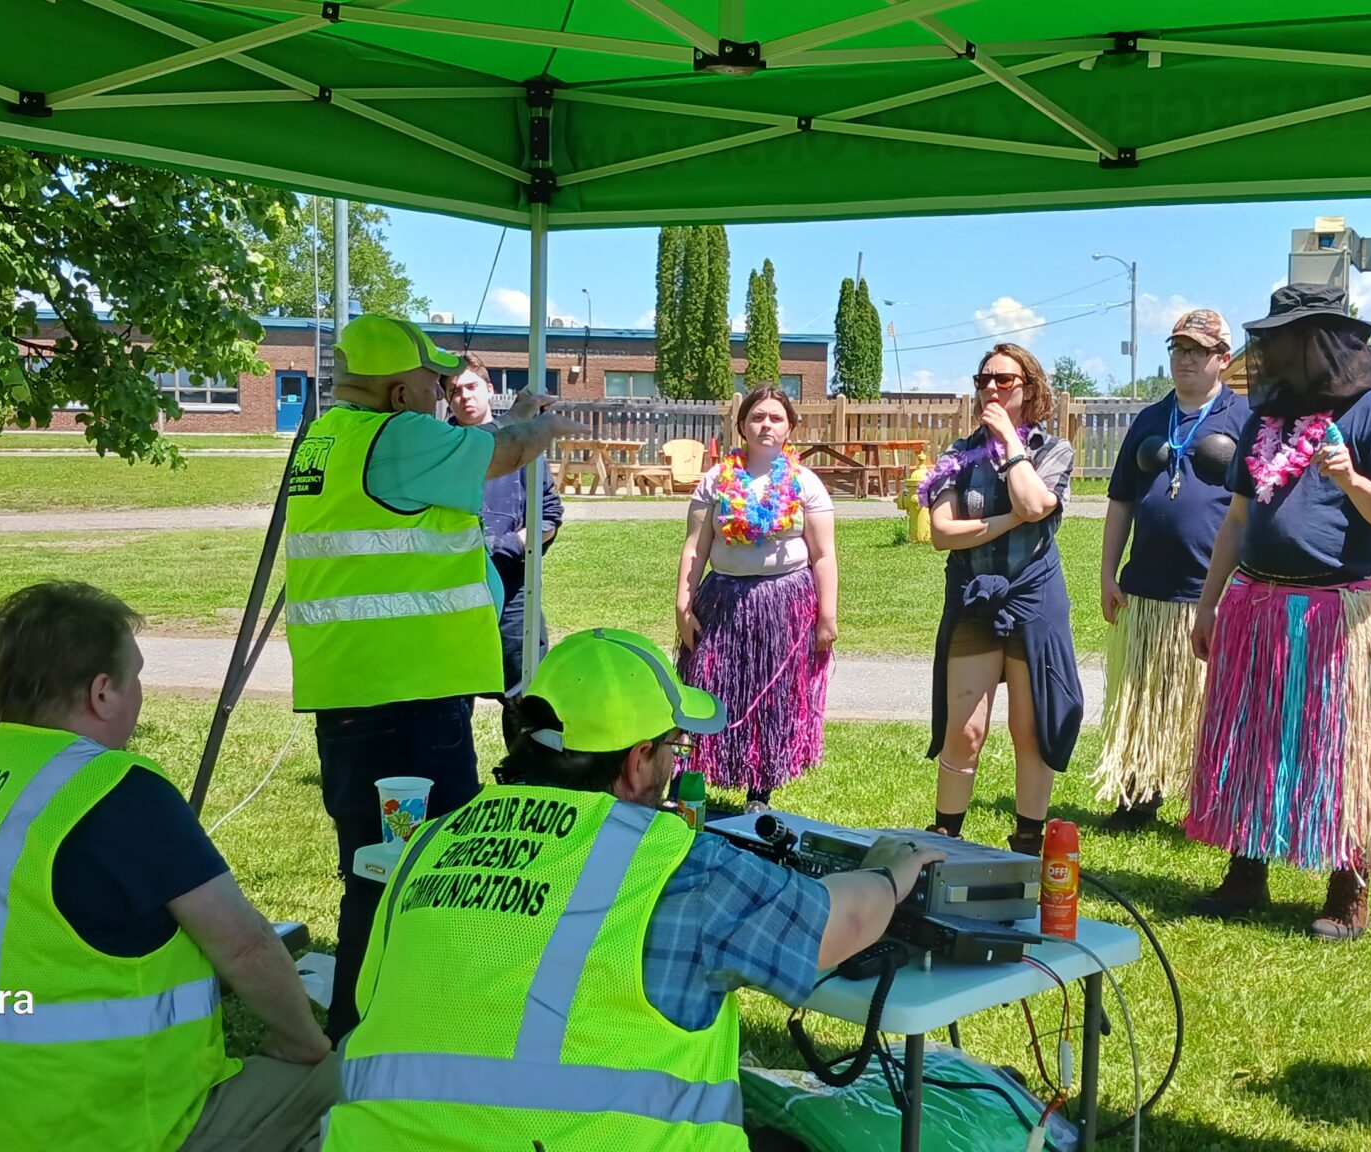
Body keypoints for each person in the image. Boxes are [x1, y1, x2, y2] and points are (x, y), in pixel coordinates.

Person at [322, 628, 944, 1150]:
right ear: (636, 760)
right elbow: (840, 927)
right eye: (674, 747)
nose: (676, 763)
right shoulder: (673, 865)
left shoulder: (426, 845)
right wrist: (889, 869)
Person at [0, 582, 335, 1151]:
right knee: (347, 1083)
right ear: (102, 693)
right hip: (92, 1129)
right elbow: (245, 947)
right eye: (136, 677)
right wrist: (304, 1045)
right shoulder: (117, 789)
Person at [283, 313, 583, 1041]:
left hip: (359, 699)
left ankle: (372, 1024)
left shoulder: (326, 438)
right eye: (432, 381)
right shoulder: (397, 435)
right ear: (396, 392)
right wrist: (532, 421)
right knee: (418, 872)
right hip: (405, 708)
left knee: (373, 871)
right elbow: (507, 451)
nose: (444, 392)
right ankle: (393, 1029)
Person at [1184, 283, 1371, 941]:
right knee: (1251, 739)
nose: (1274, 351)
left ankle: (1349, 888)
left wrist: (1350, 480)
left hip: (1338, 613)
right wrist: (1208, 605)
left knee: (1340, 748)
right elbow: (1235, 520)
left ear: (1323, 340)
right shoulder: (1265, 419)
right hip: (1255, 605)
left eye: (1287, 338)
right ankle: (1246, 870)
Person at [921, 343, 1082, 858]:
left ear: (1029, 389)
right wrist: (1013, 520)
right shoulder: (955, 456)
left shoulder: (1054, 451)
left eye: (1005, 381)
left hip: (1034, 598)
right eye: (984, 379)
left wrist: (1010, 440)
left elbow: (1036, 499)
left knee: (1028, 727)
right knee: (964, 730)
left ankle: (1028, 842)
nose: (991, 388)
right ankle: (946, 837)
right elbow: (944, 533)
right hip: (974, 596)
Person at [1095, 308, 1249, 832]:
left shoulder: (1243, 420)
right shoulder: (1149, 419)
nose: (1185, 359)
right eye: (1179, 349)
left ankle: (1208, 804)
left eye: (1198, 351)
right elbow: (1120, 501)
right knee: (1143, 698)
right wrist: (1108, 573)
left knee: (1209, 708)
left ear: (1223, 359)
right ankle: (1138, 794)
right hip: (1147, 591)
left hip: (1211, 591)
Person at [675, 386, 838, 812]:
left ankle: (759, 790)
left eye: (776, 418)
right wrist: (683, 605)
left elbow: (823, 555)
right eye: (757, 417)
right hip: (723, 599)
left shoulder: (805, 483)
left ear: (790, 428)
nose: (767, 425)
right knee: (707, 685)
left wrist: (827, 615)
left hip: (785, 603)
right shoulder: (716, 480)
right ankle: (687, 780)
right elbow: (695, 546)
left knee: (772, 695)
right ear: (742, 426)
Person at [446, 355, 563, 728]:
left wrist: (505, 545)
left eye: (470, 387)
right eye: (453, 392)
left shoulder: (522, 447)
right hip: (455, 594)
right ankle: (455, 783)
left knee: (526, 697)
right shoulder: (442, 451)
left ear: (489, 389)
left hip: (514, 591)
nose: (463, 397)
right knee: (450, 698)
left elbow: (549, 516)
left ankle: (527, 777)